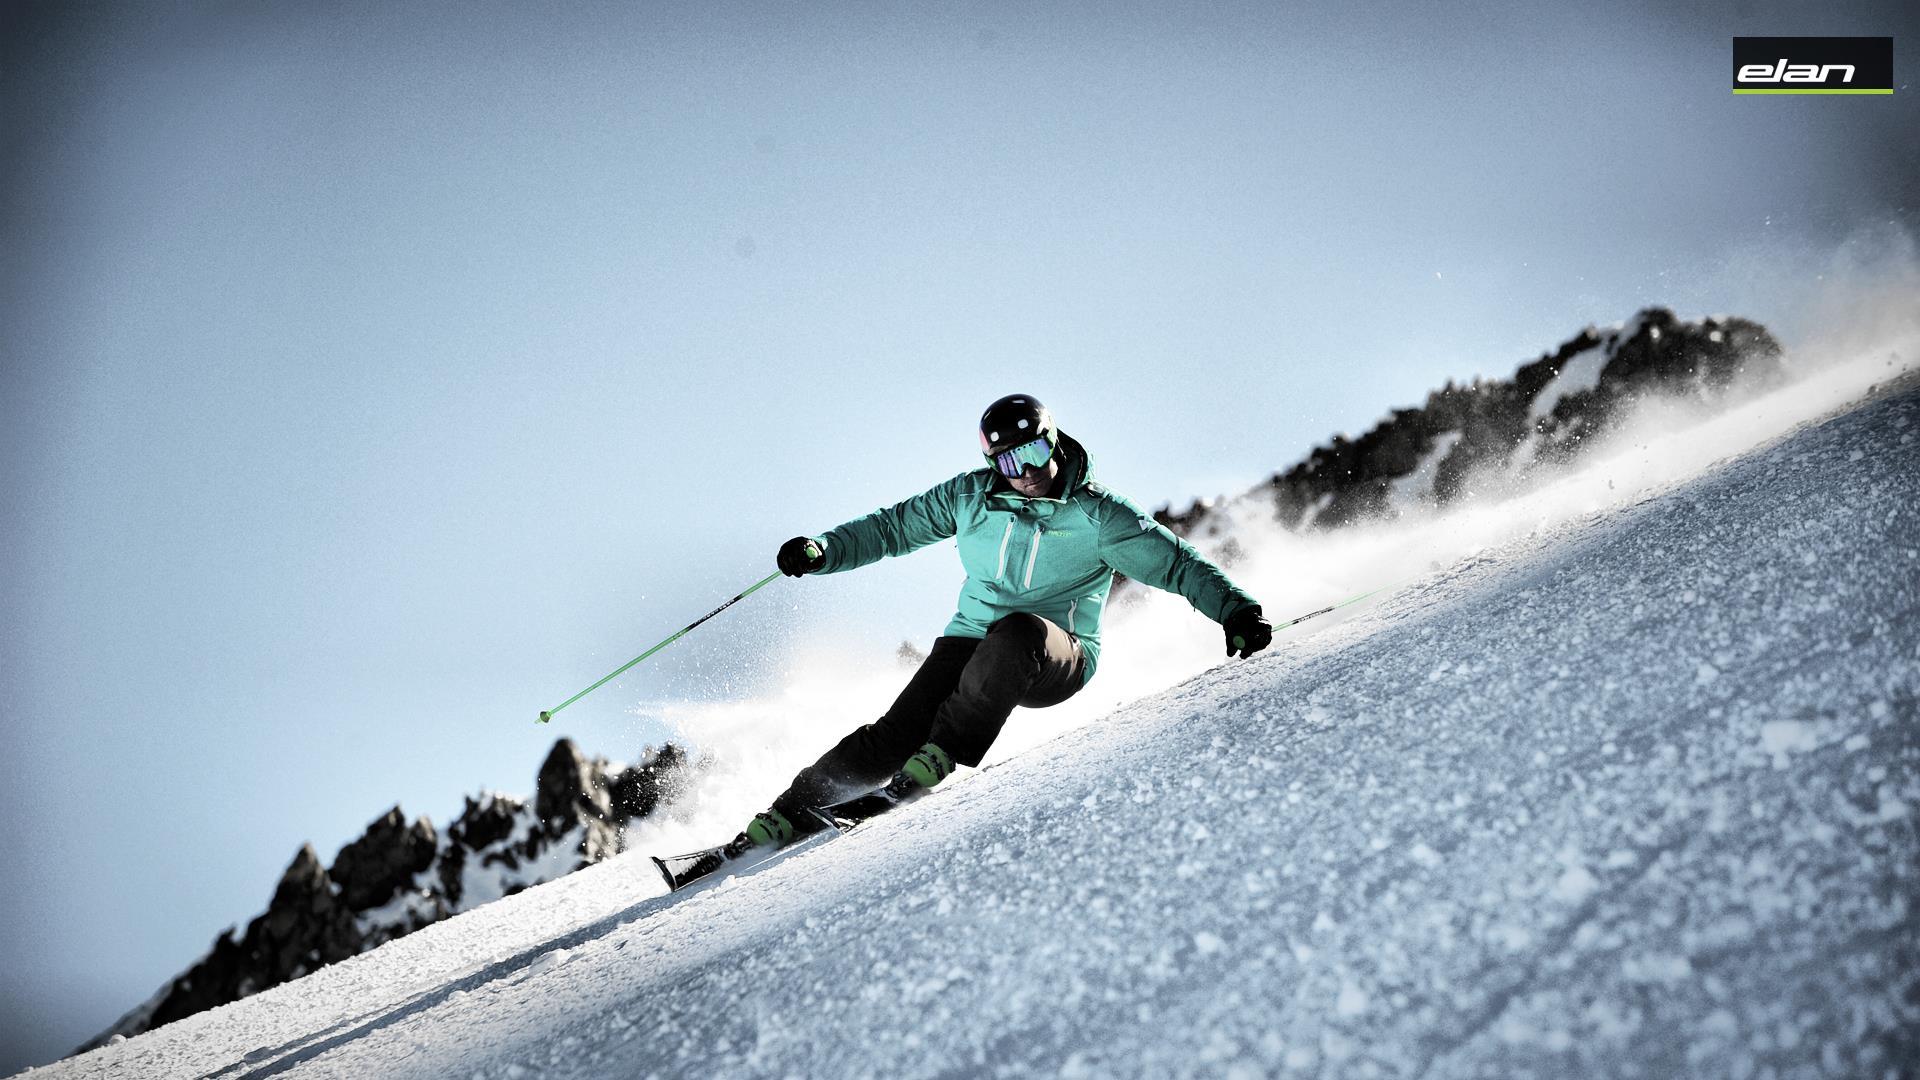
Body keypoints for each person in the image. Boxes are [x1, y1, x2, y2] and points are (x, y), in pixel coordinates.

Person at [729, 394, 1273, 854]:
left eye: (1034, 451)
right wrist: (824, 550)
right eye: (1010, 461)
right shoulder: (970, 497)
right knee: (892, 736)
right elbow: (892, 529)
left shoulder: (1099, 515)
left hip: (1056, 654)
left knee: (1019, 632)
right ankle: (787, 814)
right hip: (970, 641)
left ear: (1053, 443)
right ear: (993, 463)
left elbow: (1176, 564)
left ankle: (937, 759)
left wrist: (1237, 610)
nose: (1026, 471)